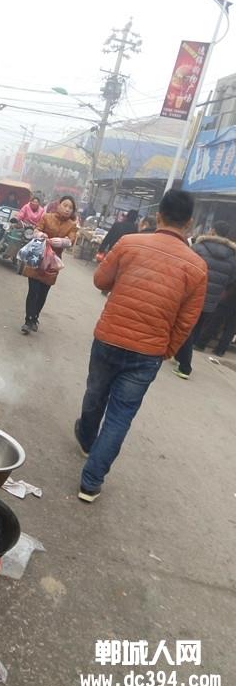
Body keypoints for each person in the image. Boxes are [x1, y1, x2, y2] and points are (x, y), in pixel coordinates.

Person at [74, 190, 207, 503]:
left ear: (158, 215)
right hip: (148, 353)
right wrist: (167, 350)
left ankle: (86, 438)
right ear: (189, 223)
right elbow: (186, 322)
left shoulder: (130, 243)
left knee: (96, 393)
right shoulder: (197, 267)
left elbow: (100, 280)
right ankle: (90, 483)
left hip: (109, 337)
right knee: (121, 416)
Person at [173, 220, 236, 378]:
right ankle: (180, 355)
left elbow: (185, 267)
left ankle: (185, 366)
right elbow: (231, 279)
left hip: (192, 295)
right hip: (212, 299)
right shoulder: (232, 258)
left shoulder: (199, 247)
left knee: (184, 327)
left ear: (213, 231)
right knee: (196, 329)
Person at [21, 195, 77, 335]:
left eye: (70, 207)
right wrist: (40, 234)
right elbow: (36, 230)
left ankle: (35, 317)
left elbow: (71, 241)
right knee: (33, 291)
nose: (67, 209)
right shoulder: (47, 217)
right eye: (65, 205)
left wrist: (64, 242)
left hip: (53, 262)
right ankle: (28, 320)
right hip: (38, 257)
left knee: (43, 292)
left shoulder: (72, 225)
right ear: (59, 205)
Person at [195, 281, 236, 357]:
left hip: (230, 297)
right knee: (231, 328)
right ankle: (220, 350)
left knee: (215, 322)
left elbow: (231, 279)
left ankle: (201, 344)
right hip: (231, 297)